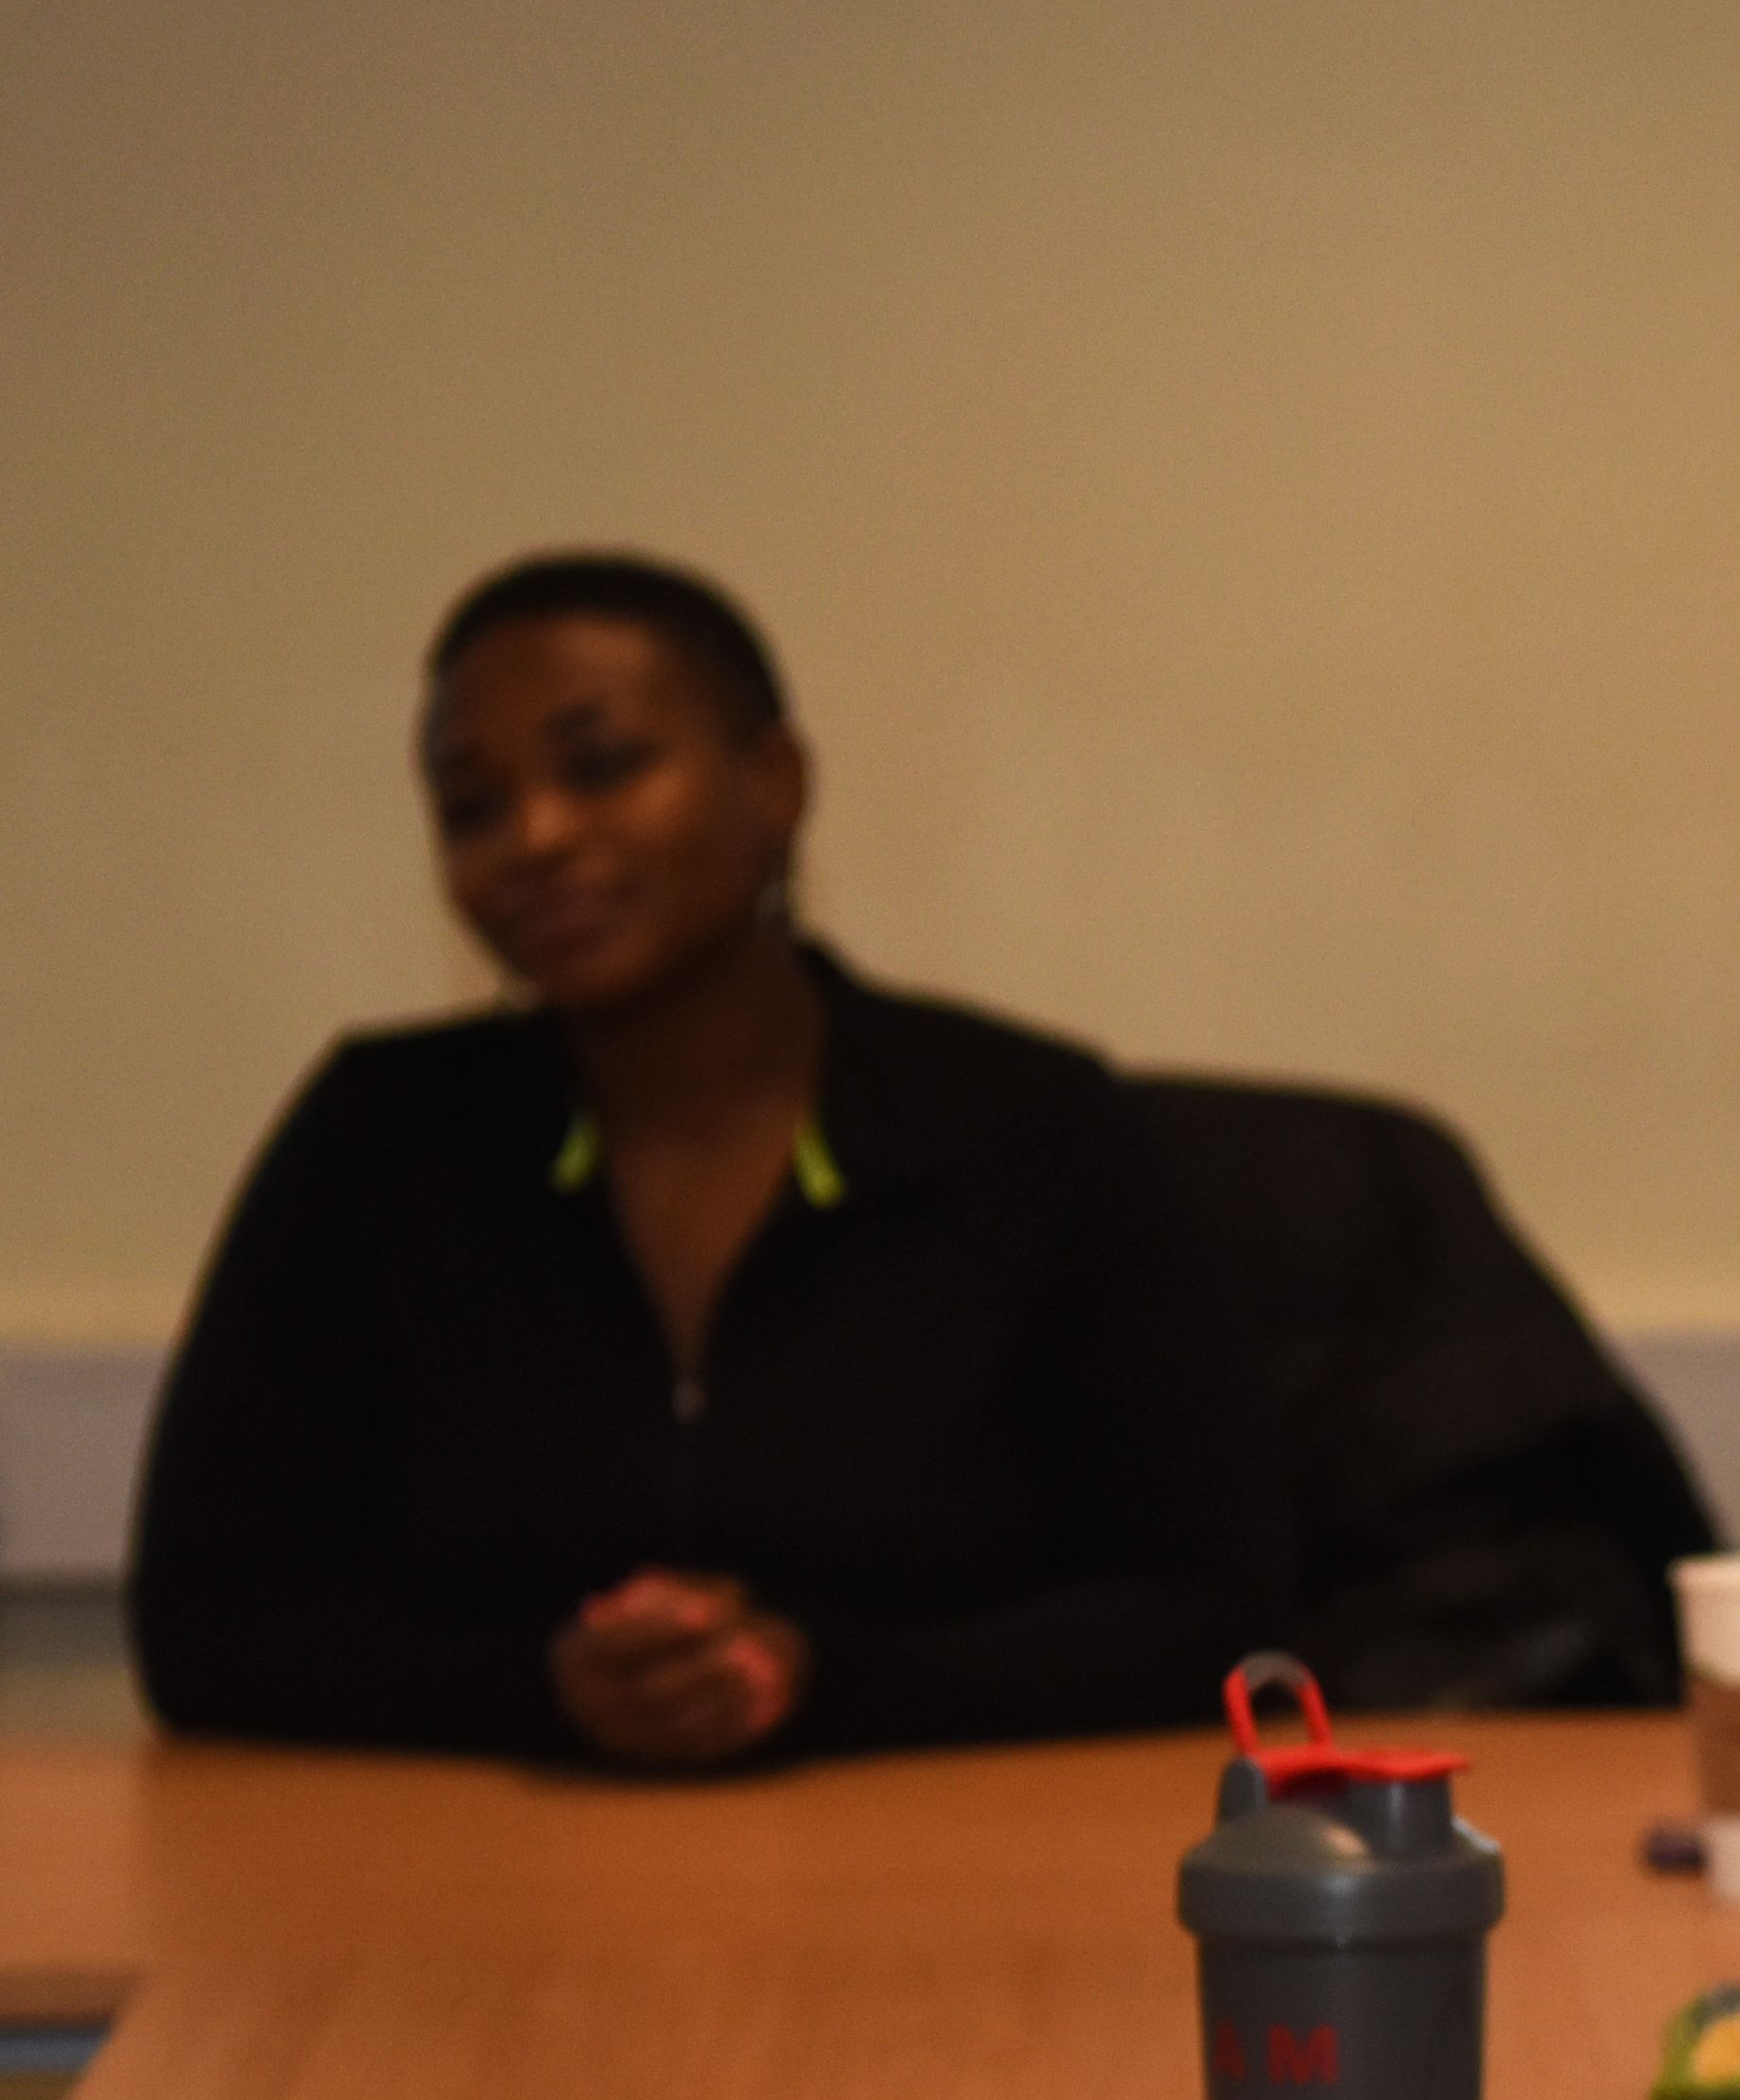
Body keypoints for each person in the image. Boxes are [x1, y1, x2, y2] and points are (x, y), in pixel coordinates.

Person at [130, 553, 1274, 1764]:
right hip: (488, 1884)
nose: (535, 835)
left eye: (601, 766)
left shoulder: (1028, 1125)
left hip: (938, 1869)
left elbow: (1214, 1603)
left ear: (773, 782)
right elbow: (209, 1626)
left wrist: (815, 1676)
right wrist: (546, 1689)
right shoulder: (379, 1141)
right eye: (472, 805)